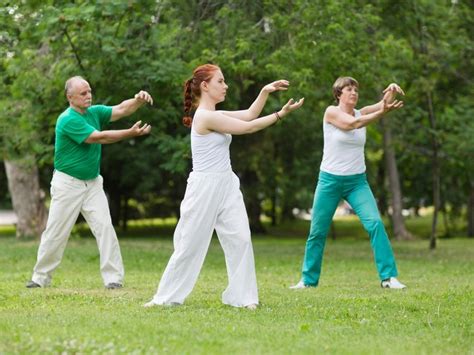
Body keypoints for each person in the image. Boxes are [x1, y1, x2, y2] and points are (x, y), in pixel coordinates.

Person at [144, 64, 304, 309]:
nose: (226, 85)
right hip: (204, 187)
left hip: (226, 183)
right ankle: (165, 297)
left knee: (240, 238)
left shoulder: (216, 114)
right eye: (221, 81)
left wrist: (265, 91)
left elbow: (250, 115)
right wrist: (280, 115)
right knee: (189, 244)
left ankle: (244, 298)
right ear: (205, 86)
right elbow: (249, 128)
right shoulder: (206, 116)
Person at [26, 76, 153, 289]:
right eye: (83, 93)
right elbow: (99, 137)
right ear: (70, 97)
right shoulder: (67, 119)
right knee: (56, 233)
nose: (88, 96)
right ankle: (40, 278)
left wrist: (138, 100)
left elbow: (121, 109)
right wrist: (130, 133)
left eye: (89, 91)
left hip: (92, 183)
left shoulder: (94, 112)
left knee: (105, 228)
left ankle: (113, 279)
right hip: (67, 184)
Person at [291, 77, 407, 290]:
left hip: (357, 183)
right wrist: (382, 112)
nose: (354, 92)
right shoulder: (331, 112)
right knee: (317, 231)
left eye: (356, 89)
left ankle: (389, 277)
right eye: (349, 89)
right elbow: (353, 124)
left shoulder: (361, 112)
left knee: (375, 224)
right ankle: (308, 281)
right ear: (338, 94)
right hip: (329, 181)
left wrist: (391, 89)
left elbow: (382, 105)